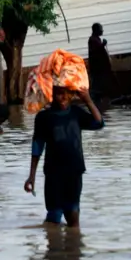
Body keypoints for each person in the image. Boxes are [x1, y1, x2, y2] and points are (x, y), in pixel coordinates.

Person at [24, 87, 103, 228]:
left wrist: (87, 100)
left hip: (75, 170)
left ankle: (73, 246)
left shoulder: (76, 113)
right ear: (51, 94)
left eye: (67, 93)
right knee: (54, 215)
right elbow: (37, 147)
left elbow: (99, 123)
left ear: (72, 95)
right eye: (59, 93)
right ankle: (53, 245)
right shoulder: (44, 117)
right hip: (53, 172)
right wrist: (32, 176)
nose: (64, 97)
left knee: (73, 213)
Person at [87, 23, 115, 104]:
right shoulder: (92, 40)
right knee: (96, 86)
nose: (102, 30)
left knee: (100, 86)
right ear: (96, 30)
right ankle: (95, 102)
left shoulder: (97, 39)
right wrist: (103, 45)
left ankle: (99, 101)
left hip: (100, 69)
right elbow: (96, 51)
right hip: (97, 69)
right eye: (100, 29)